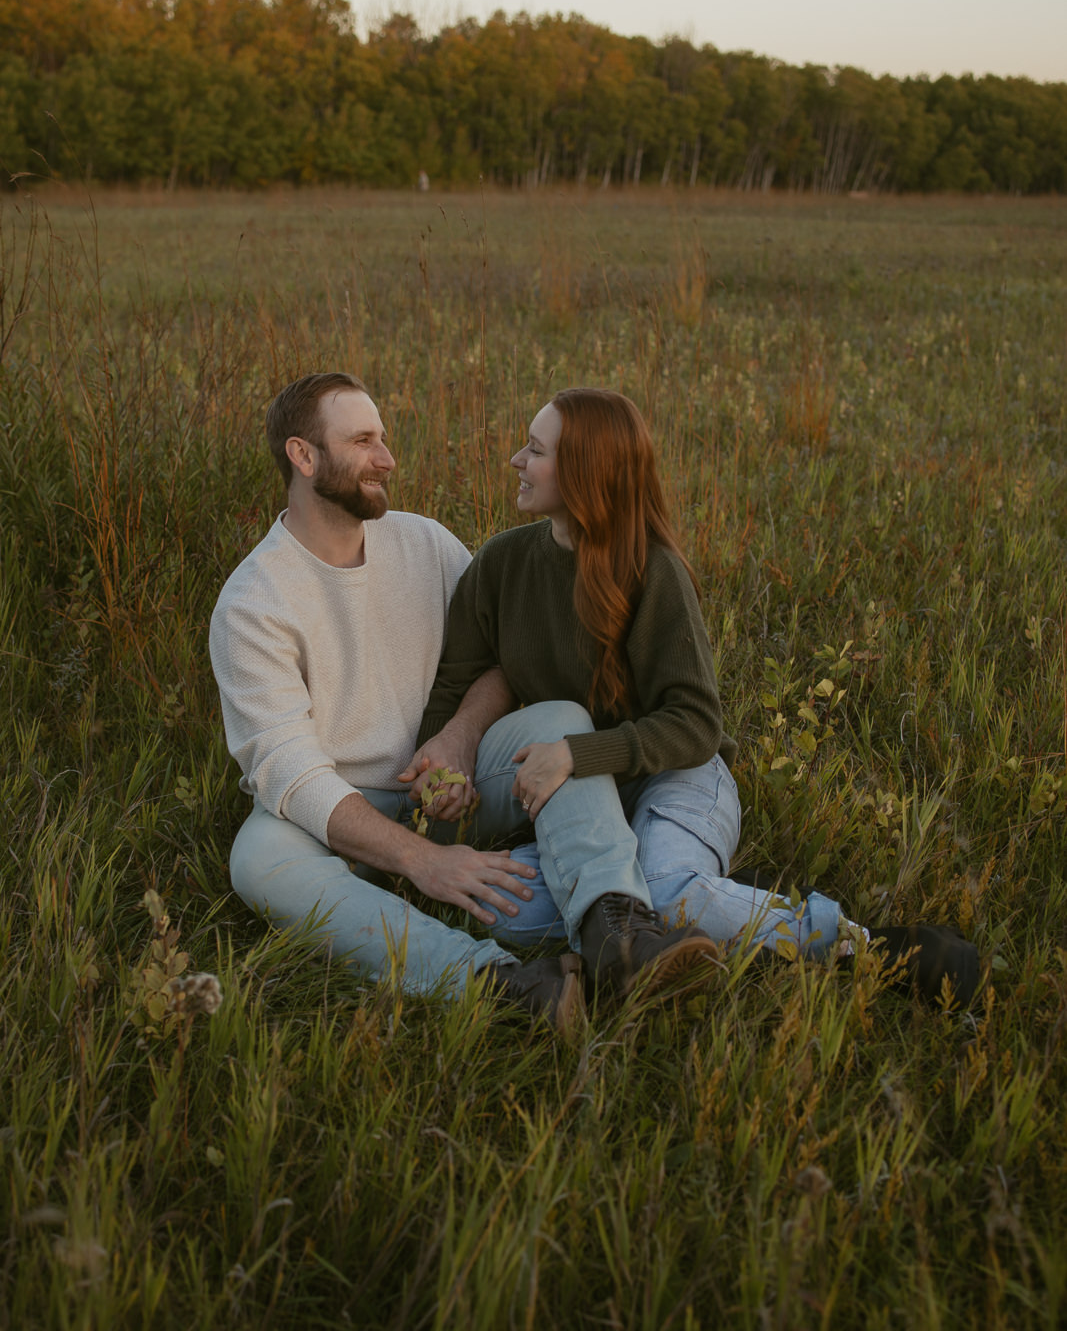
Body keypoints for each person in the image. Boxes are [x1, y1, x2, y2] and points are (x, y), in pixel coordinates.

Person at [415, 387, 980, 1009]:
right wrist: (445, 762)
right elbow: (454, 683)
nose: (516, 462)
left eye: (535, 450)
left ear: (585, 473)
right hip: (583, 799)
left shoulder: (652, 571)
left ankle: (875, 949)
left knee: (661, 895)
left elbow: (696, 725)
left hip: (676, 773)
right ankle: (728, 896)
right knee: (505, 912)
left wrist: (578, 754)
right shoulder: (501, 563)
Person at [209, 373, 718, 1036]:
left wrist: (456, 739)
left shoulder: (426, 544)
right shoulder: (254, 603)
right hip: (339, 808)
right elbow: (291, 775)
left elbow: (497, 659)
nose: (387, 460)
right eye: (363, 441)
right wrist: (421, 861)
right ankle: (500, 983)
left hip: (464, 777)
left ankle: (618, 932)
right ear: (303, 457)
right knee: (258, 861)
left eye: (383, 439)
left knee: (561, 722)